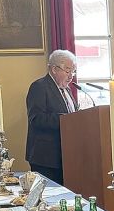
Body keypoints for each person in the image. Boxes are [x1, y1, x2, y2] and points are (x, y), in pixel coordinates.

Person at [25, 49, 78, 185]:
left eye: (73, 71)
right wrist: (66, 120)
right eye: (68, 71)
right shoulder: (39, 87)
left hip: (65, 156)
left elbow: (75, 116)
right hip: (46, 158)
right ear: (54, 69)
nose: (71, 76)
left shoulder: (67, 90)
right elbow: (36, 119)